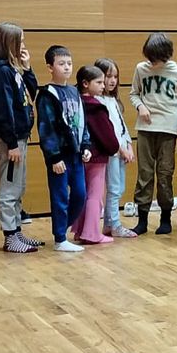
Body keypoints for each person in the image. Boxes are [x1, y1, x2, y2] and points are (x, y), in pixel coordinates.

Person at [0, 22, 41, 253]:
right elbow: (2, 111)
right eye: (21, 40)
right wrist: (12, 142)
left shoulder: (13, 69)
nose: (24, 45)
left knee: (18, 187)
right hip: (11, 140)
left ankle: (17, 232)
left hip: (19, 137)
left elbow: (31, 94)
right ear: (10, 43)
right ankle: (10, 236)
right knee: (9, 189)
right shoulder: (1, 72)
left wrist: (27, 69)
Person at [129, 31, 177, 236]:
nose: (153, 62)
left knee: (165, 174)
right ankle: (142, 219)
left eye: (156, 58)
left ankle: (165, 218)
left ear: (166, 54)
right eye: (150, 58)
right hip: (145, 128)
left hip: (168, 128)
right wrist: (140, 106)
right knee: (144, 174)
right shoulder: (141, 69)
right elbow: (134, 93)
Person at [37, 44, 89, 253]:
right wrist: (54, 157)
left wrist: (85, 145)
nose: (66, 67)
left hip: (76, 155)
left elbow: (82, 122)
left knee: (80, 195)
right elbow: (46, 128)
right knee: (59, 197)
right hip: (59, 156)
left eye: (69, 63)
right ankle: (60, 238)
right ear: (50, 67)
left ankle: (61, 229)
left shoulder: (75, 92)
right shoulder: (47, 95)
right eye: (61, 64)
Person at [74, 65, 120, 245]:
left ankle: (80, 231)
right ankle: (92, 233)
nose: (103, 85)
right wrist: (114, 147)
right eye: (99, 82)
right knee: (94, 196)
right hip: (97, 156)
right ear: (86, 84)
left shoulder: (75, 102)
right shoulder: (96, 107)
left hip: (80, 155)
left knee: (83, 193)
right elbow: (107, 137)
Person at [93, 57, 137, 237]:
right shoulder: (98, 101)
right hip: (112, 151)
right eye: (108, 76)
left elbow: (121, 125)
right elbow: (108, 130)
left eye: (115, 77)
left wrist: (129, 144)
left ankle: (109, 224)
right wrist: (121, 148)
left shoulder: (113, 100)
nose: (112, 81)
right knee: (114, 188)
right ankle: (115, 224)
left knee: (119, 188)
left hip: (121, 150)